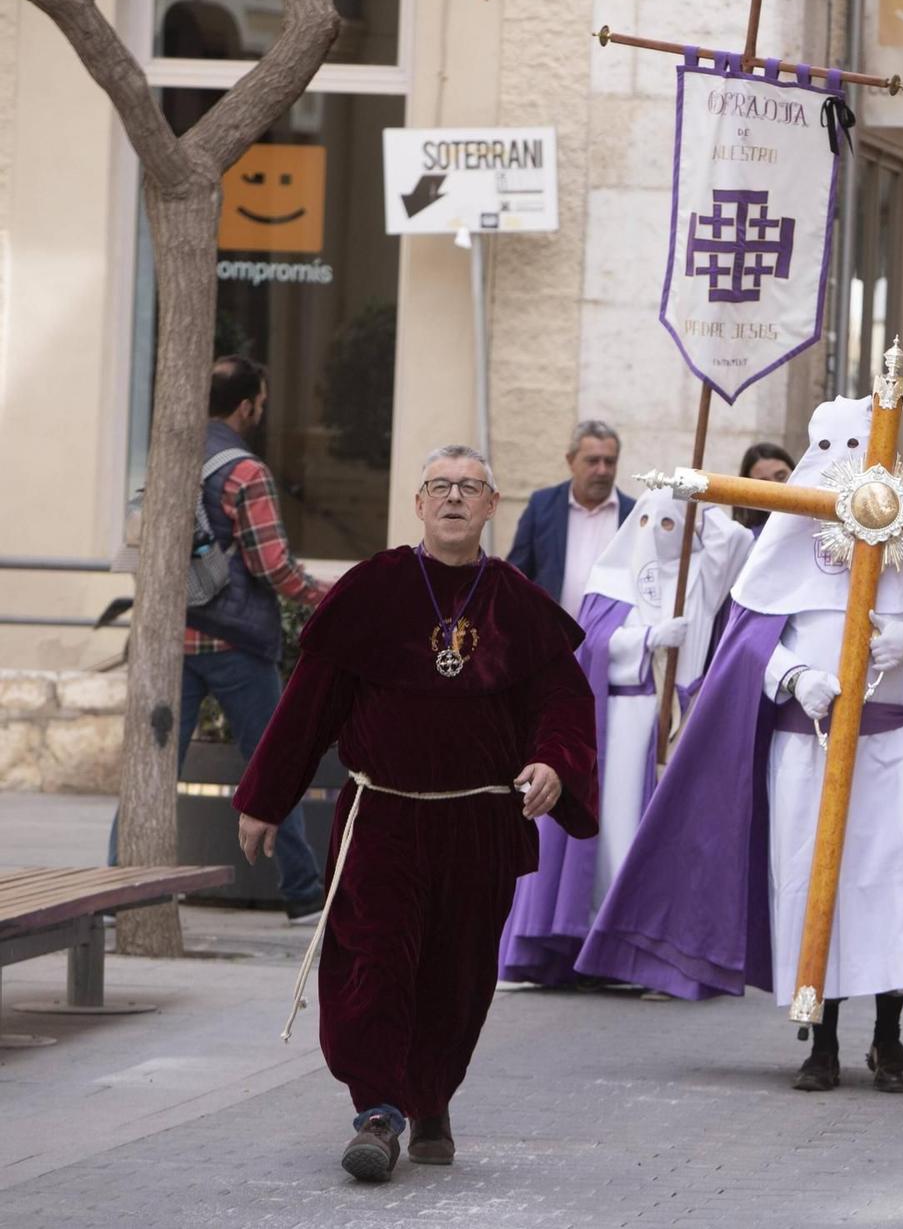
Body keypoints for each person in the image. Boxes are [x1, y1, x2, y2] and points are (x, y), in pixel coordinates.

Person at [576, 396, 903, 1092]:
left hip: (895, 748)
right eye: (836, 447)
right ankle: (820, 1039)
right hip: (808, 747)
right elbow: (743, 653)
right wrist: (795, 676)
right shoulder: (786, 540)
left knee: (894, 888)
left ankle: (888, 1037)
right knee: (808, 883)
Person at [233, 445, 598, 1182]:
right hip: (383, 821)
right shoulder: (374, 590)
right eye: (441, 486)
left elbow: (562, 703)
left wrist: (554, 763)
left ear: (493, 506)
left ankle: (431, 1097)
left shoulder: (517, 602)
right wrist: (265, 798)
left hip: (478, 826)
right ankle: (379, 1110)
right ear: (419, 503)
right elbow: (310, 704)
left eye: (470, 487)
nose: (455, 497)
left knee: (456, 976)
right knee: (373, 962)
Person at [499, 484, 752, 986]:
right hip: (618, 727)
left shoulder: (697, 572)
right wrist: (647, 640)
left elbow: (739, 540)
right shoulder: (613, 578)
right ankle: (594, 942)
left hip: (676, 724)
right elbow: (590, 648)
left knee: (666, 837)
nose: (662, 533)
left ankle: (651, 950)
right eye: (652, 522)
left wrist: (697, 495)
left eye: (671, 523)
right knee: (614, 835)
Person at [177, 356, 330, 923]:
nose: (261, 412)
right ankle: (303, 893)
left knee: (156, 761)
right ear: (247, 407)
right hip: (237, 642)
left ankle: (122, 887)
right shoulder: (246, 472)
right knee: (273, 765)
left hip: (176, 636)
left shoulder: (174, 457)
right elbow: (272, 567)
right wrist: (325, 596)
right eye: (261, 403)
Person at [505, 420, 635, 616]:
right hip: (551, 640)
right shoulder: (541, 507)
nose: (602, 470)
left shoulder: (633, 515)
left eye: (609, 462)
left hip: (613, 642)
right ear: (570, 461)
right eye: (593, 461)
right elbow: (515, 577)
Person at [735, 441, 795, 534]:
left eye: (781, 477)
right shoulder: (749, 541)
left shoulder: (820, 524)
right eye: (764, 484)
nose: (776, 489)